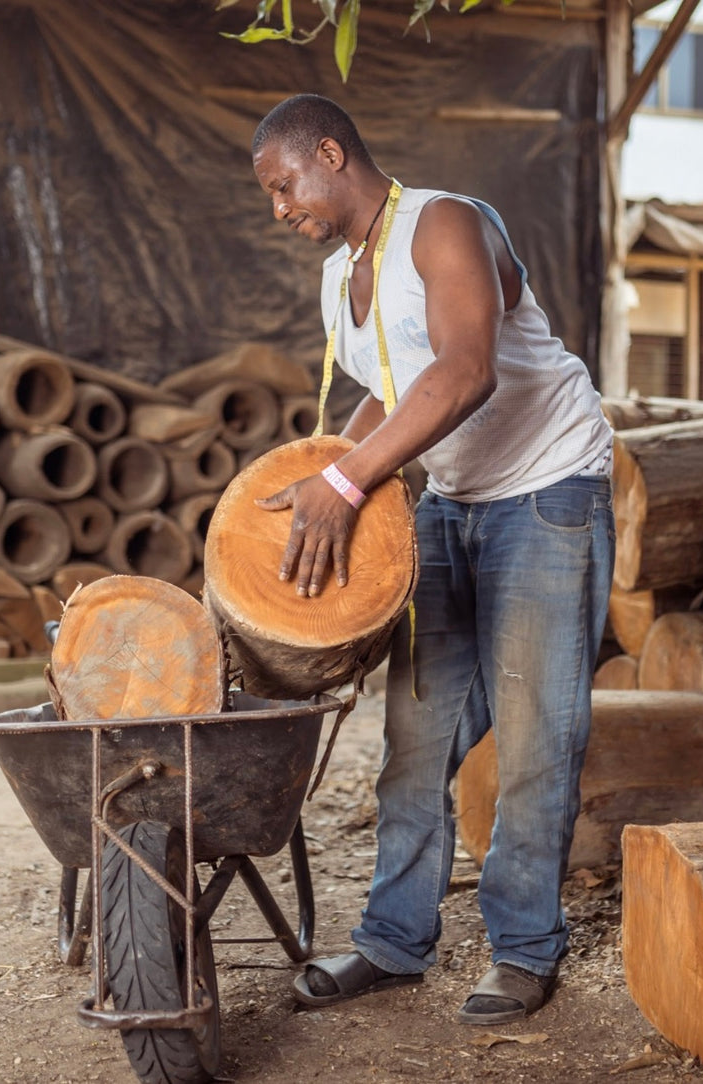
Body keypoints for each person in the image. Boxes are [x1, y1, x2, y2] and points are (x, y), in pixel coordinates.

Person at [251, 93, 614, 1026]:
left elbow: (463, 371)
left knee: (538, 735)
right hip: (450, 505)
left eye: (284, 185)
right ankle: (393, 941)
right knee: (415, 741)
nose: (279, 208)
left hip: (546, 493)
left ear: (330, 153)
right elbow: (385, 397)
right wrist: (334, 469)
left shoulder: (443, 224)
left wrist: (348, 484)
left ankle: (526, 950)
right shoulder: (342, 274)